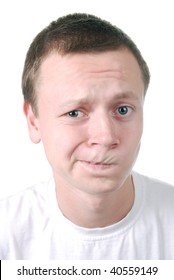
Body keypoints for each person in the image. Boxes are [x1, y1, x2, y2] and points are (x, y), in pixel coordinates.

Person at [0, 13, 174, 260]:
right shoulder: (6, 236)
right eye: (74, 112)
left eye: (123, 110)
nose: (105, 137)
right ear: (33, 121)